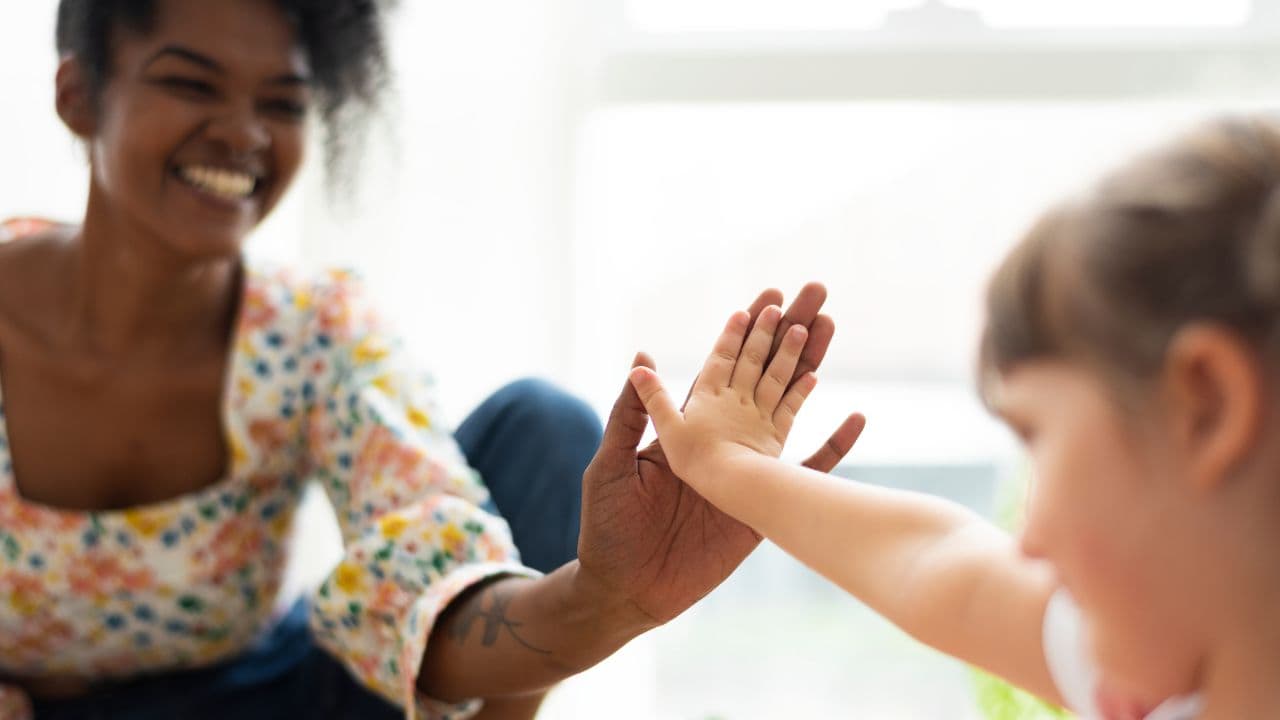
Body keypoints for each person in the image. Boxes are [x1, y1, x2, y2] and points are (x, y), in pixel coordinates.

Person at [0, 1, 863, 719]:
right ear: (79, 94)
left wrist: (605, 603)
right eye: (190, 84)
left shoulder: (313, 326)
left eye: (286, 103)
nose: (242, 132)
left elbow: (426, 544)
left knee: (544, 429)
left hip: (253, 697)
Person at [627, 115, 1280, 720]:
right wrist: (726, 465)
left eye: (1039, 439)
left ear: (1207, 405)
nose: (1029, 540)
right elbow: (937, 568)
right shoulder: (1162, 645)